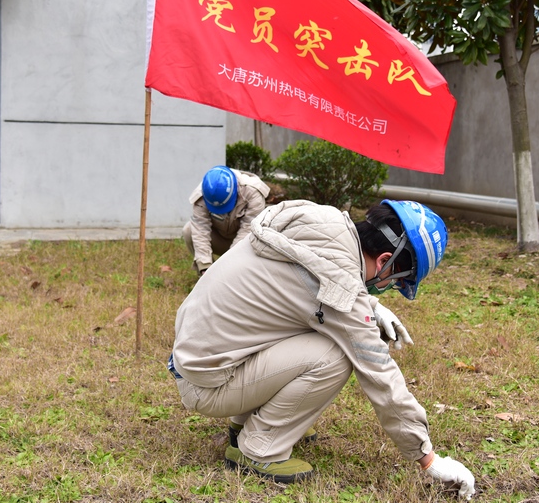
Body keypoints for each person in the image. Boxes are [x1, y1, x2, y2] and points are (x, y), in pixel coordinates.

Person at [169, 198, 476, 499]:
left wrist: (370, 304)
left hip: (199, 358)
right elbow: (380, 374)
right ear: (384, 261)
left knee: (320, 330)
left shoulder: (325, 223)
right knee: (337, 354)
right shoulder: (338, 286)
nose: (388, 288)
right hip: (207, 385)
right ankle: (260, 447)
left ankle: (246, 424)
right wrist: (429, 459)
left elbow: (301, 288)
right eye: (395, 282)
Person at [182, 165, 270, 275]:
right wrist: (205, 267)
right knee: (188, 230)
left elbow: (248, 230)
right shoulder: (202, 194)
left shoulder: (253, 192)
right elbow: (200, 229)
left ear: (235, 190)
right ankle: (207, 276)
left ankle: (246, 275)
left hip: (247, 243)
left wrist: (228, 267)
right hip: (221, 238)